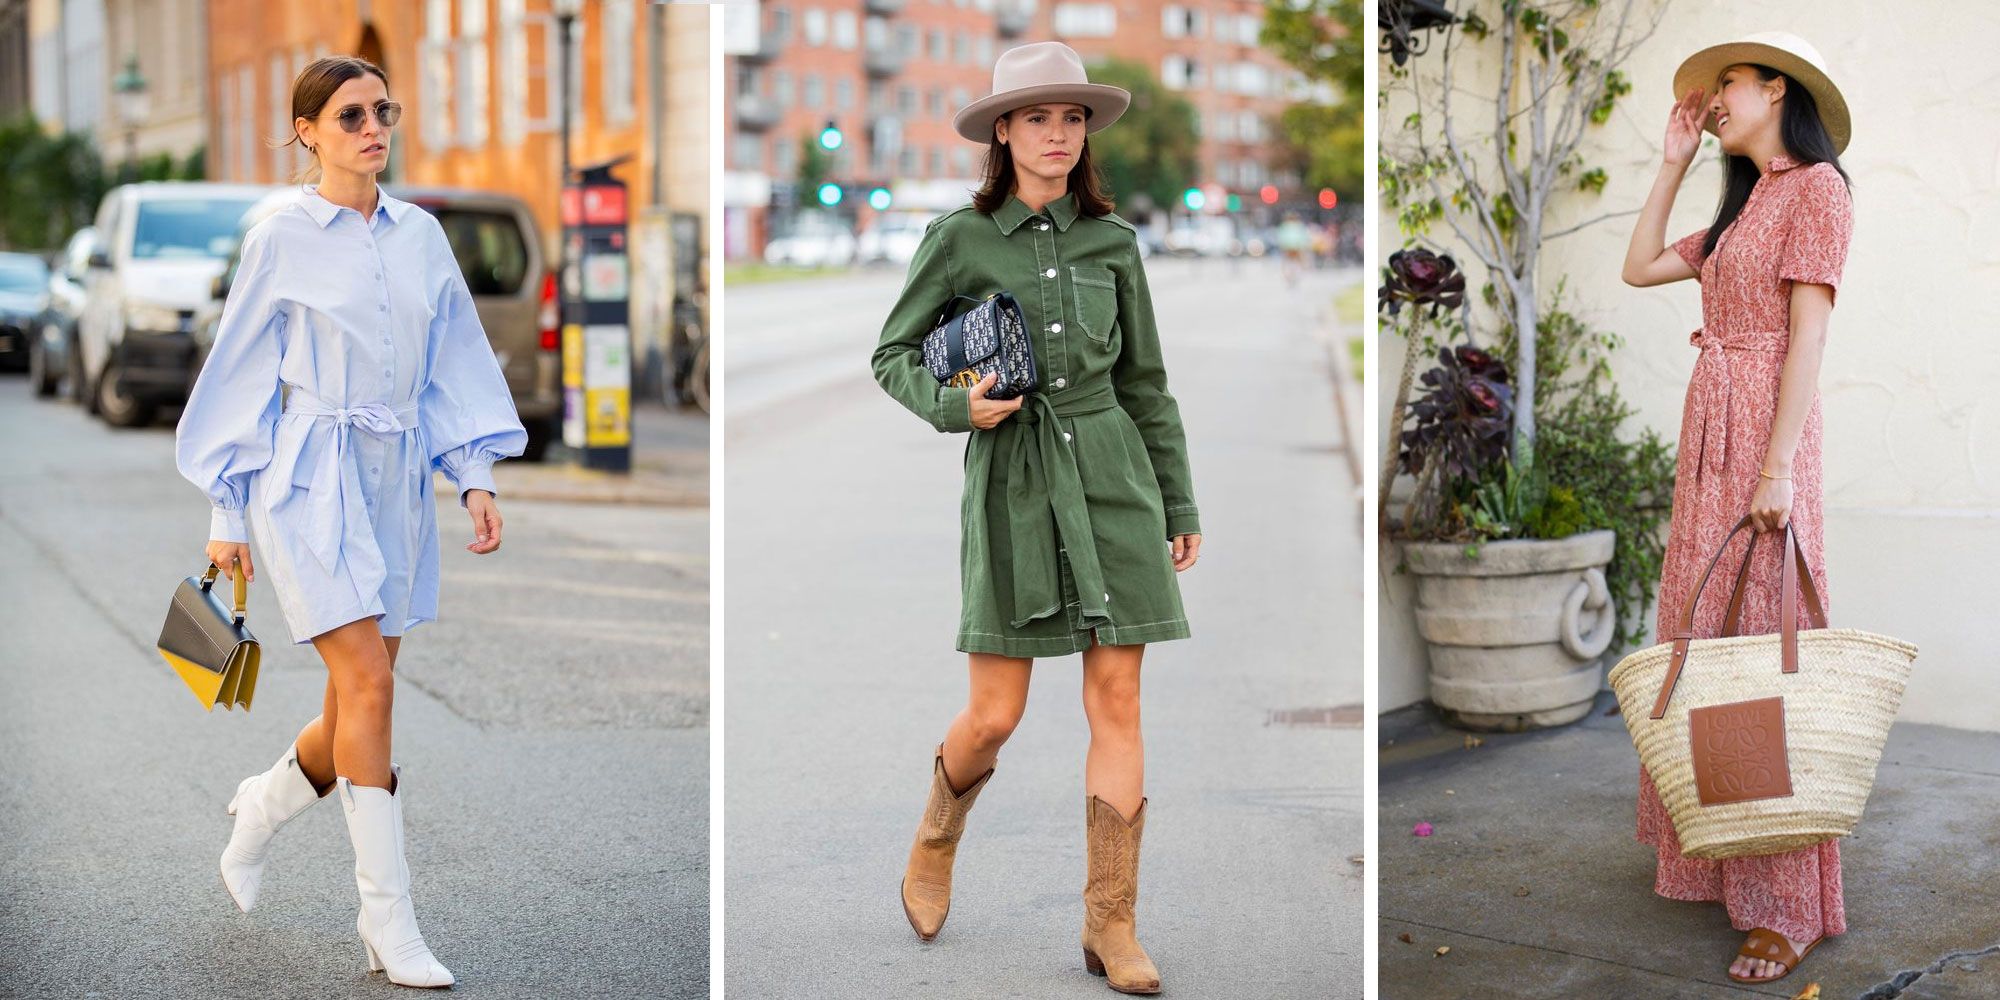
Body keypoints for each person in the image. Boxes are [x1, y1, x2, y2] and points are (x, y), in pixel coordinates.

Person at [175, 55, 525, 989]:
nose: (373, 127)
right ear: (307, 133)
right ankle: (389, 923)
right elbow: (241, 374)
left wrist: (474, 474)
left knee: (352, 704)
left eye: (382, 111)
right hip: (308, 480)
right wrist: (226, 511)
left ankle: (259, 806)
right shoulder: (280, 238)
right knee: (369, 686)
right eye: (349, 115)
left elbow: (455, 359)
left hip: (399, 477)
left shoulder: (420, 236)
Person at [871, 41, 1201, 996]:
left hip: (1113, 476)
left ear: (1085, 132)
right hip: (1012, 479)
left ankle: (1113, 921)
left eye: (1072, 119)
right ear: (1003, 131)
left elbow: (1147, 384)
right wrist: (952, 408)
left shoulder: (1116, 245)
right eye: (1037, 118)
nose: (1057, 135)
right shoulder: (957, 239)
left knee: (1118, 700)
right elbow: (892, 353)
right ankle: (937, 835)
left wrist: (1177, 499)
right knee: (996, 713)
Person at [1620, 32, 1854, 985]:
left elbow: (1808, 339)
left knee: (1767, 649)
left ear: (1777, 91)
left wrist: (1779, 468)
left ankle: (1790, 904)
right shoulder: (1744, 202)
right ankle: (1728, 863)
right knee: (1705, 641)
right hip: (1709, 430)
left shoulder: (1818, 190)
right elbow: (1637, 268)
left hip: (1764, 430)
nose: (1714, 99)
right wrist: (1673, 162)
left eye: (1729, 84)